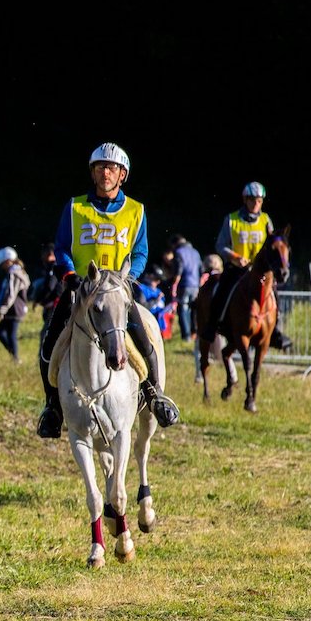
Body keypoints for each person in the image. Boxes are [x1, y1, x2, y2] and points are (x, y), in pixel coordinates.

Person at [36, 142, 180, 438]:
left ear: (122, 175)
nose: (105, 172)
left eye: (112, 168)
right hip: (81, 291)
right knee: (49, 344)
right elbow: (62, 247)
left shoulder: (136, 211)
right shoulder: (75, 207)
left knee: (144, 340)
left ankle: (155, 395)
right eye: (100, 166)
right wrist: (70, 276)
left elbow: (140, 252)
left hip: (117, 293)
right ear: (92, 173)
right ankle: (53, 407)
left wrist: (127, 279)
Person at [204, 181, 291, 350]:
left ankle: (275, 331)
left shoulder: (266, 220)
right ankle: (212, 326)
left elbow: (272, 244)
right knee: (222, 290)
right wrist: (235, 257)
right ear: (245, 200)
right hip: (237, 268)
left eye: (259, 200)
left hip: (260, 270)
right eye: (252, 200)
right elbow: (220, 245)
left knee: (274, 295)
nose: (256, 204)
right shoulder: (232, 220)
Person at [0, 246, 29, 363]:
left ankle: (15, 358)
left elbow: (11, 294)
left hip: (14, 309)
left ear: (8, 261)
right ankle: (14, 356)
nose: (2, 267)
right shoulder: (18, 272)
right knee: (2, 332)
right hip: (15, 309)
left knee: (9, 334)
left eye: (3, 264)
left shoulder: (13, 274)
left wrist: (2, 309)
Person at [169, 233, 202, 341]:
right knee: (193, 309)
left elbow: (179, 269)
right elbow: (201, 269)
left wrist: (174, 285)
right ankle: (194, 332)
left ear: (175, 244)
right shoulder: (195, 252)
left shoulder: (179, 252)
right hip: (195, 285)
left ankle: (186, 336)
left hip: (184, 284)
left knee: (182, 308)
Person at [29, 241, 62, 336]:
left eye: (43, 254)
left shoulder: (54, 266)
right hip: (55, 305)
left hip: (56, 305)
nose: (42, 257)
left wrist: (38, 300)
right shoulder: (55, 266)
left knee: (46, 334)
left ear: (50, 254)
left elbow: (50, 287)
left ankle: (44, 351)